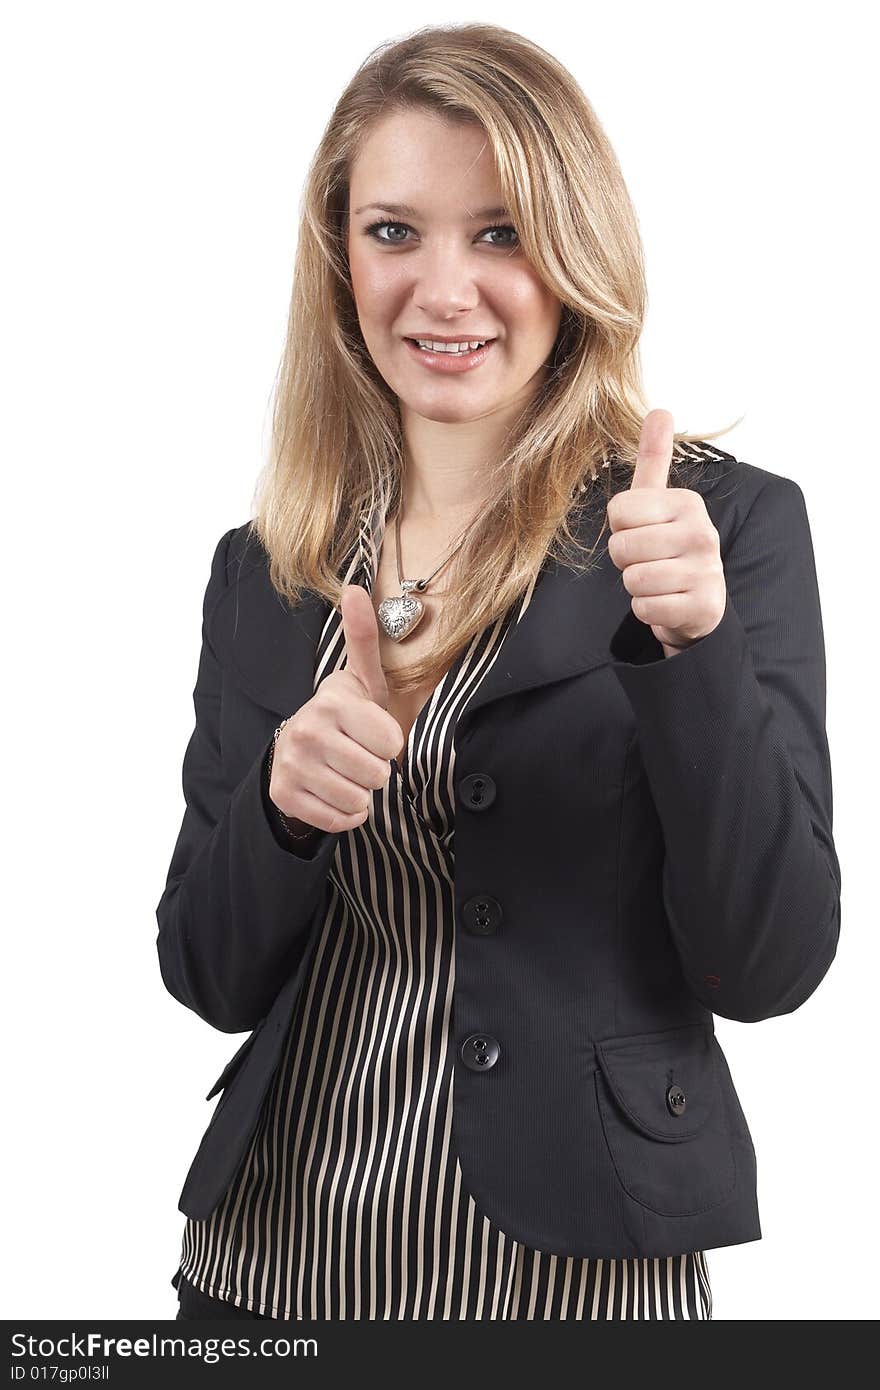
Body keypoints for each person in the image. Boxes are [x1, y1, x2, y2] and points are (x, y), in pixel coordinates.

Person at [158, 22, 839, 1321]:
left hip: (571, 1287)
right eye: (394, 232)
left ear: (574, 253)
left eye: (502, 233)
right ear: (339, 256)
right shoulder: (270, 566)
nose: (444, 291)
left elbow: (769, 961)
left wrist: (692, 652)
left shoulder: (718, 528)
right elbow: (205, 970)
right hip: (264, 1274)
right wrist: (284, 811)